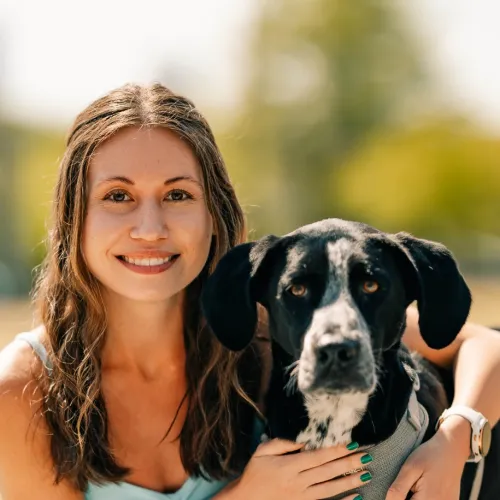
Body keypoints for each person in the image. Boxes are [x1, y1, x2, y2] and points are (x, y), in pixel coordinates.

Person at [0, 83, 498, 500]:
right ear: (73, 216)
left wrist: (459, 437)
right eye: (117, 196)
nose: (149, 228)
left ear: (213, 213)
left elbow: (485, 345)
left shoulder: (262, 326)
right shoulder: (21, 393)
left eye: (177, 195)